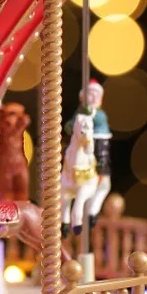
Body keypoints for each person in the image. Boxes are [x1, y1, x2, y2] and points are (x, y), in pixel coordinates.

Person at [64, 79, 111, 230]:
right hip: (83, 141)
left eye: (96, 94)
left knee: (103, 175)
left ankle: (93, 210)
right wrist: (70, 126)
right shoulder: (81, 111)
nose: (93, 97)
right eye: (90, 94)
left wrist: (86, 112)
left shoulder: (98, 113)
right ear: (83, 96)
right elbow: (73, 123)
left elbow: (93, 116)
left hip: (99, 142)